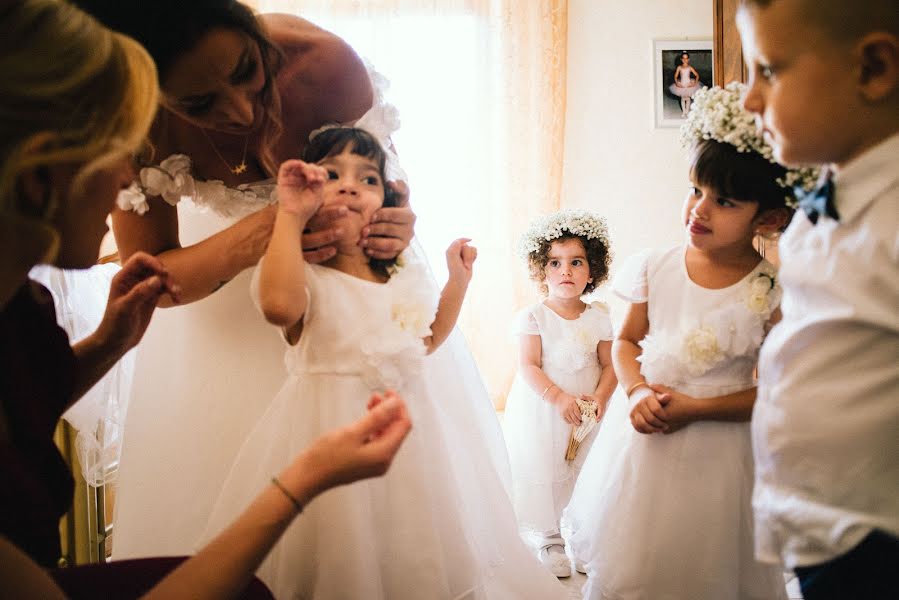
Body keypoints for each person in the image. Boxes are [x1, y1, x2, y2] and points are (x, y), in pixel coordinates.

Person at [0, 2, 411, 598]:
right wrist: (264, 233)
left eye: (247, 71)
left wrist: (106, 344)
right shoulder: (25, 311)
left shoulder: (24, 312)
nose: (128, 178)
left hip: (340, 317)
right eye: (196, 103)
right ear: (38, 172)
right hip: (221, 333)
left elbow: (23, 409)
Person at [200, 126, 566, 599]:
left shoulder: (395, 276)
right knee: (341, 547)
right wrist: (289, 219)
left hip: (406, 437)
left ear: (386, 200)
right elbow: (277, 306)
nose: (350, 185)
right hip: (327, 429)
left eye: (367, 178)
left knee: (405, 546)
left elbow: (427, 338)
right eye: (332, 174)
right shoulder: (305, 273)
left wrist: (458, 279)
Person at [562, 83, 816, 599]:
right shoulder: (656, 267)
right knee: (642, 554)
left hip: (721, 448)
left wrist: (698, 408)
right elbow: (627, 342)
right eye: (695, 190)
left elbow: (774, 391)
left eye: (723, 201)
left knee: (711, 561)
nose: (699, 210)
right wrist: (634, 391)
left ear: (767, 218)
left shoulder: (770, 290)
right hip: (647, 435)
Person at [737, 2, 899, 598]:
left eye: (769, 72)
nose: (749, 99)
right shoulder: (823, 201)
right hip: (817, 523)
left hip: (878, 536)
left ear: (874, 68)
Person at [502, 209, 616, 578]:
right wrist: (559, 398)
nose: (565, 271)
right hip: (547, 409)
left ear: (592, 270)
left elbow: (611, 365)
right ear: (541, 270)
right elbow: (529, 366)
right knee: (547, 466)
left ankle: (583, 534)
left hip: (589, 409)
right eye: (554, 262)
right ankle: (550, 537)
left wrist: (599, 398)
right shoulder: (534, 316)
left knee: (586, 467)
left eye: (576, 262)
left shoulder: (599, 316)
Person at [669, 51, 702, 116]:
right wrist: (677, 82)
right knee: (683, 98)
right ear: (681, 59)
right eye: (683, 58)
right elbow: (675, 76)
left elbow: (697, 75)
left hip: (689, 83)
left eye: (686, 58)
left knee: (688, 98)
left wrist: (695, 83)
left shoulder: (690, 67)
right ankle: (684, 111)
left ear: (688, 59)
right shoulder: (679, 67)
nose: (685, 60)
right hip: (682, 84)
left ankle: (687, 110)